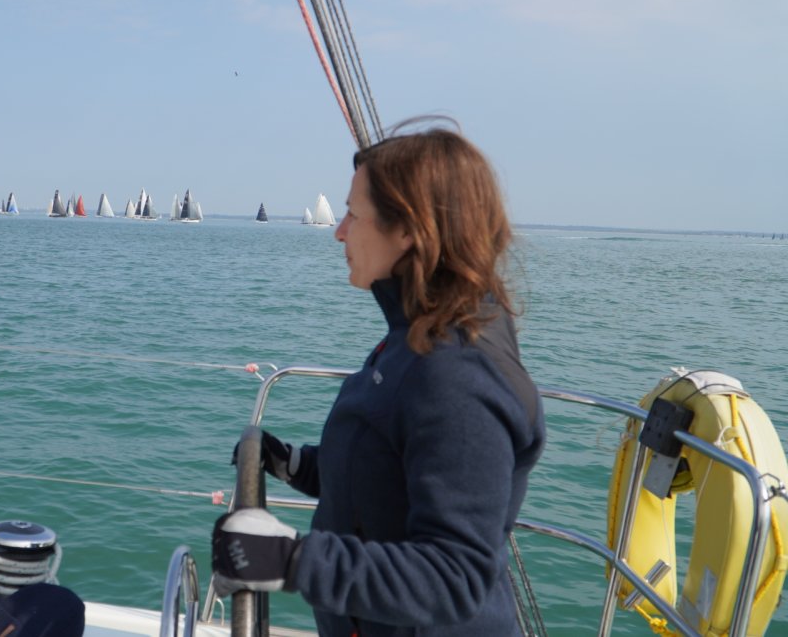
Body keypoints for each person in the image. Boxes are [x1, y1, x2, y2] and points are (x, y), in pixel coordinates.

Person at [212, 117, 545, 636]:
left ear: (410, 230)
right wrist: (297, 467)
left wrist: (289, 560)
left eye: (353, 214)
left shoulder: (458, 377)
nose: (340, 231)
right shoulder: (413, 338)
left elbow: (455, 580)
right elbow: (389, 476)